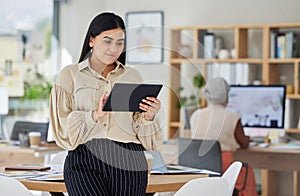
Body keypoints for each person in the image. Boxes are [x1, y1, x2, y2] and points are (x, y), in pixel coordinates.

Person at [49, 12, 162, 196]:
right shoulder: (70, 75)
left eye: (119, 42)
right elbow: (62, 130)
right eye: (107, 41)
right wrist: (94, 115)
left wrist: (149, 116)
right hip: (84, 158)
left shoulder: (132, 76)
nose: (114, 48)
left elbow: (144, 136)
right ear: (92, 40)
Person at [190, 77, 258, 196]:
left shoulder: (195, 115)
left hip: (198, 165)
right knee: (248, 172)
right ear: (226, 96)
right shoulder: (232, 117)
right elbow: (244, 144)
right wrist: (249, 138)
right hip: (222, 165)